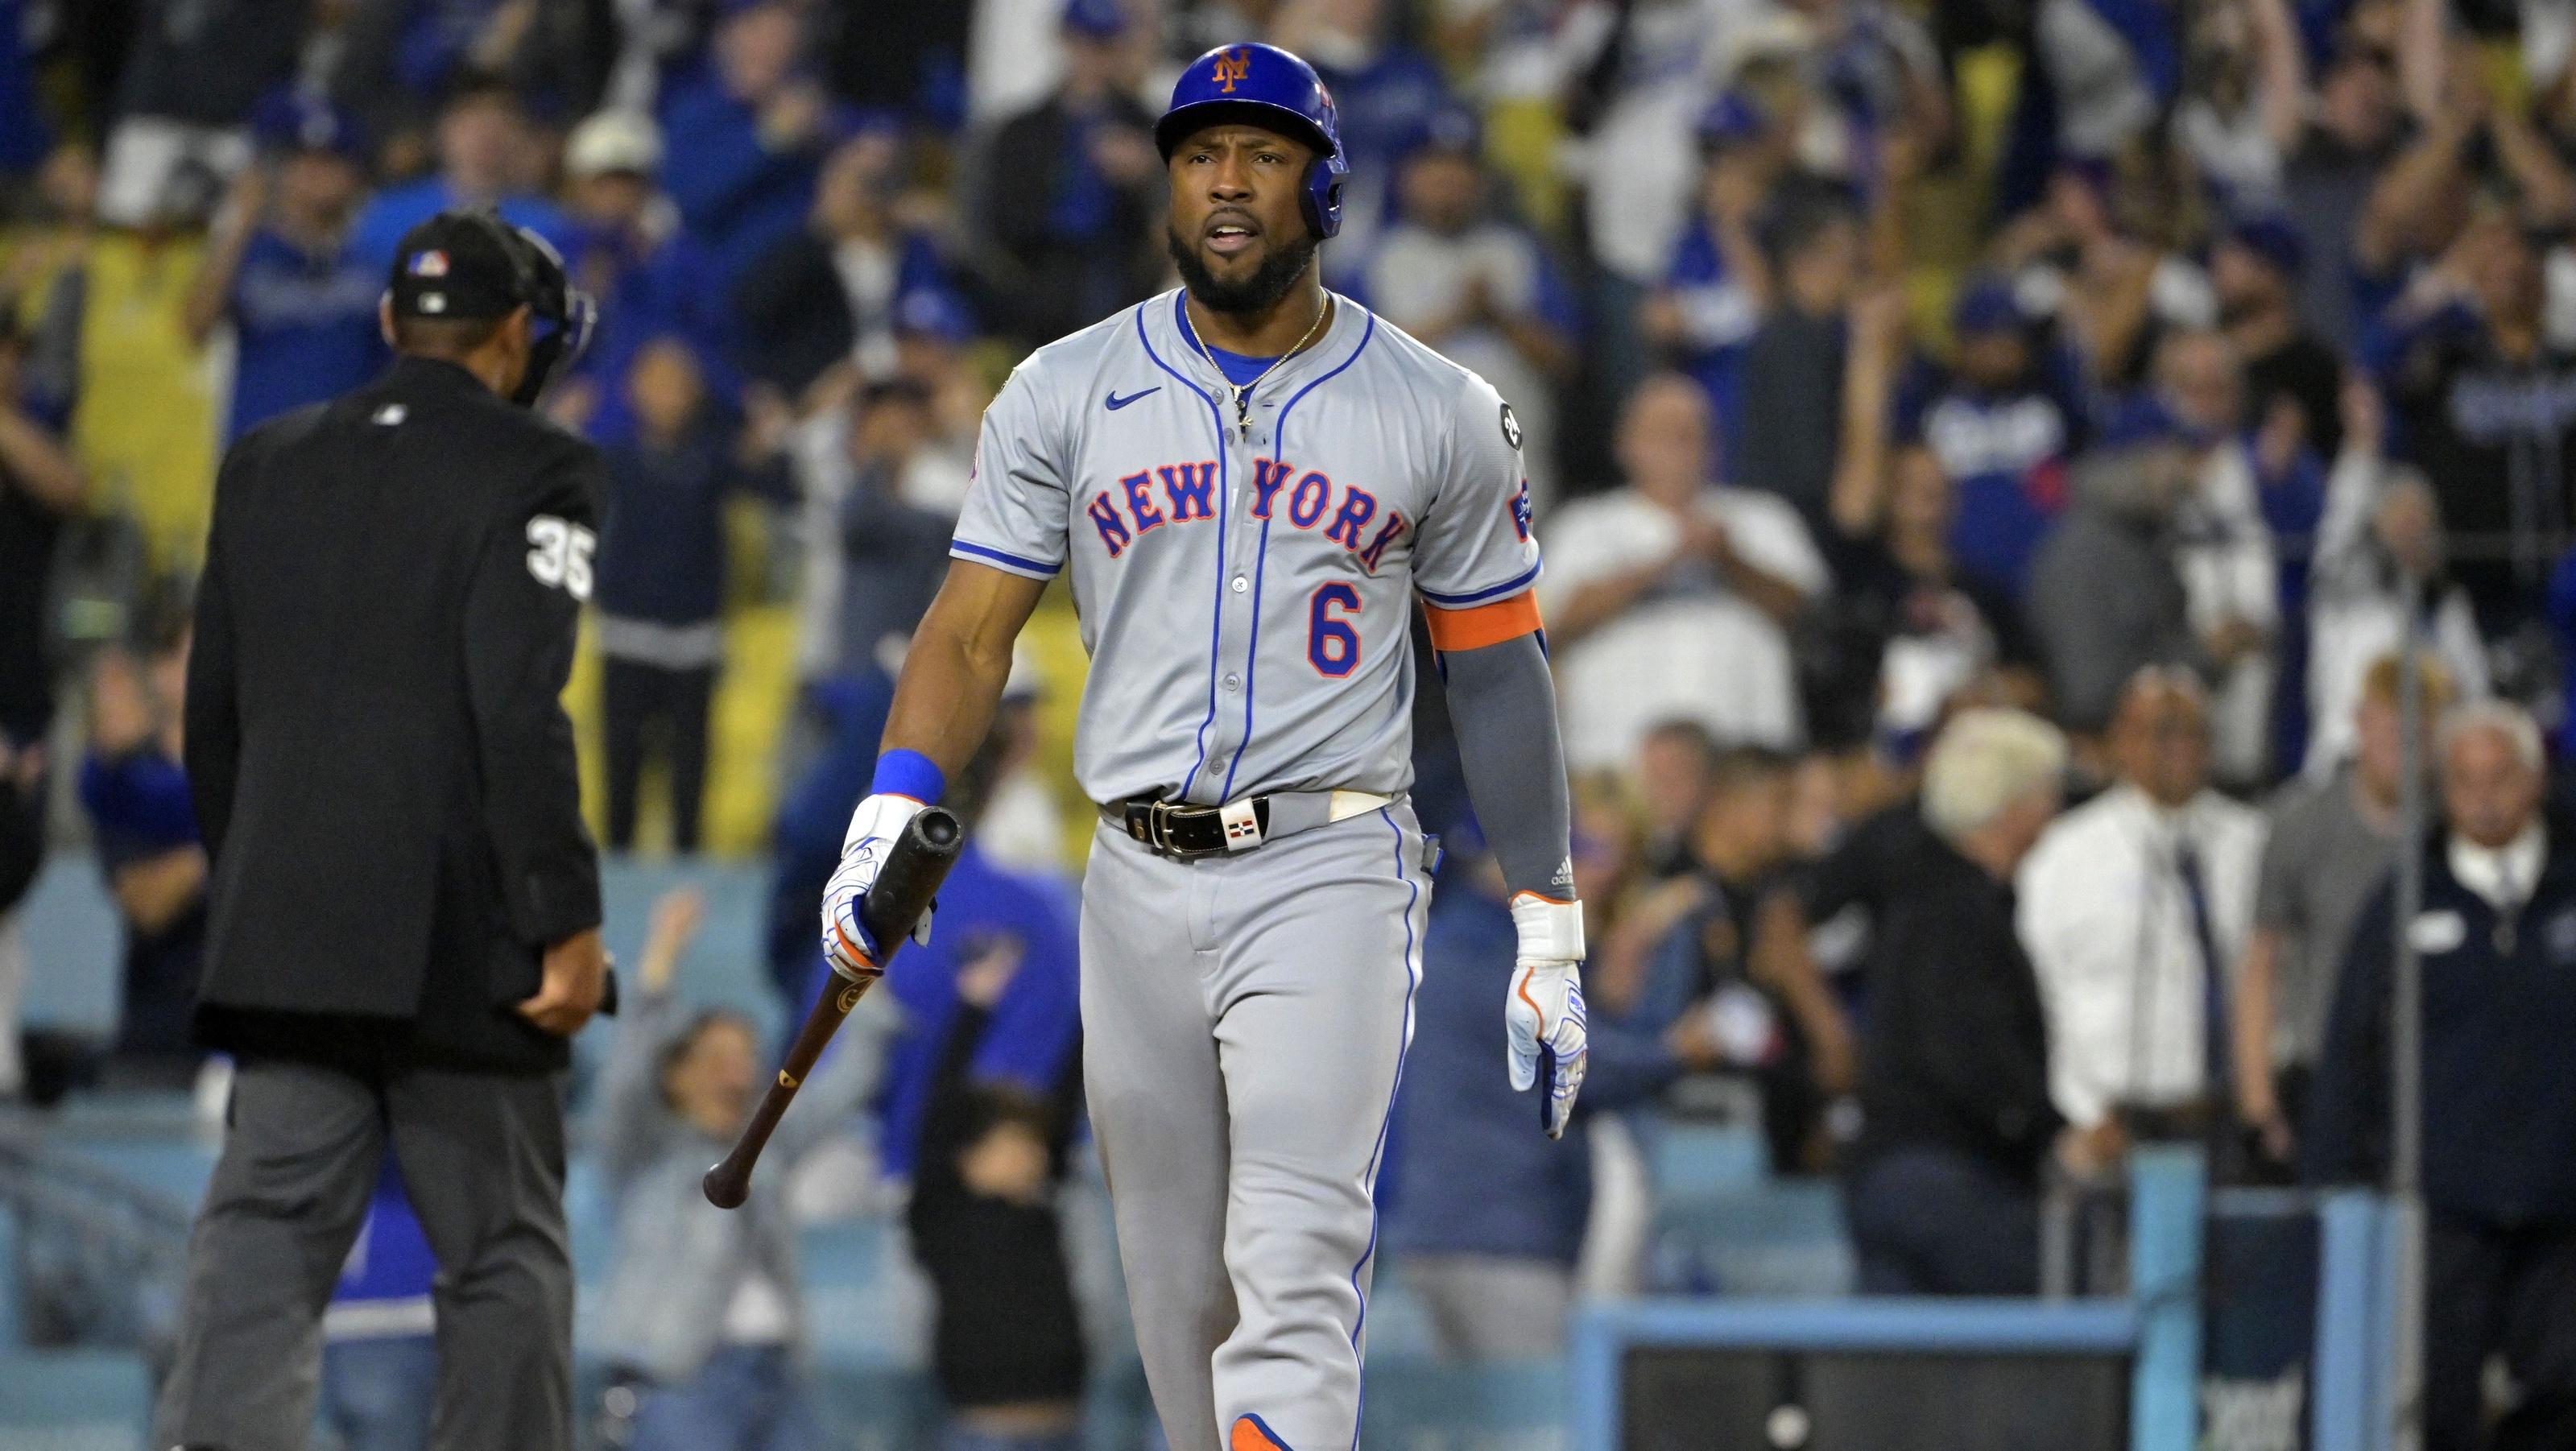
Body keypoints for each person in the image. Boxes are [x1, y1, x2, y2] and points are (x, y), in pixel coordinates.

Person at [816, 43, 1586, 1451]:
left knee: (1291, 1263)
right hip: (1134, 875)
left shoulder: (1439, 407)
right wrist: (890, 803)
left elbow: (1493, 669)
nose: (1225, 183)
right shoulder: (1060, 387)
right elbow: (967, 630)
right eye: (1197, 155)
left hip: (1332, 862)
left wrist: (1544, 906)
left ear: (1324, 184)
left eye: (1261, 154)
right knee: (1179, 1306)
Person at [155, 211, 609, 1451]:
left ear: (386, 322)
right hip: (455, 927)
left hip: (284, 920)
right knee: (500, 1247)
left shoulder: (262, 459)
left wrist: (255, 886)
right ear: (521, 333)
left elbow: (213, 722)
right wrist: (563, 919)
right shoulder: (540, 465)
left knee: (264, 1224)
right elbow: (515, 710)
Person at [2306, 701, 2576, 1451]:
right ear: (2443, 789)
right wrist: (2331, 1172)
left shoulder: (2567, 889)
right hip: (2443, 1205)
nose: (2484, 797)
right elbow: (2350, 1044)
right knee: (2438, 1400)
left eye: (2501, 777)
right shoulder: (2405, 896)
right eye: (2464, 780)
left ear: (2535, 779)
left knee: (2562, 1394)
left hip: (2561, 1204)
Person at [869, 735, 1086, 1451]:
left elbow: (1064, 1096)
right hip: (978, 1431)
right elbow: (938, 1110)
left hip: (1062, 1424)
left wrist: (1096, 1008)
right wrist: (971, 1011)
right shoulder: (944, 1210)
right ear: (968, 1156)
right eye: (1008, 1145)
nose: (1025, 1157)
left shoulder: (1041, 1205)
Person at [593, 887, 868, 1451]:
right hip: (683, 1374)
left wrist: (869, 987)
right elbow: (626, 1076)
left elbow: (848, 1085)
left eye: (747, 1056)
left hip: (780, 1370)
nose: (737, 1072)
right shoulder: (646, 1149)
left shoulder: (767, 1144)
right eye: (718, 1058)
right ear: (677, 1075)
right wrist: (662, 954)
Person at [1844, 709, 2097, 1295]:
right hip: (1945, 1177)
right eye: (2045, 797)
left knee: (1900, 1374)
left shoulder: (1921, 895)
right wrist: (2051, 1132)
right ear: (2012, 807)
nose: (2053, 816)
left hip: (1887, 1173)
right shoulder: (1962, 912)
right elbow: (1971, 1054)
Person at [2018, 669, 2268, 1148]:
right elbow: (2034, 989)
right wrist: (2076, 1116)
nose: (2171, 747)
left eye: (2189, 732)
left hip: (2229, 1122)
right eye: (2155, 731)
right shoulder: (2063, 854)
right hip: (2104, 1123)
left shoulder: (2256, 846)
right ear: (2119, 742)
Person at [2234, 651, 2451, 1177]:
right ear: (2359, 723)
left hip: (2436, 1063)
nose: (2400, 752)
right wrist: (2258, 1098)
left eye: (2416, 739)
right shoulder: (2299, 824)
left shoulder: (2450, 828)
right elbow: (2262, 961)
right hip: (2326, 1069)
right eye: (2389, 733)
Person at [1542, 373, 1829, 768]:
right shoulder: (1583, 526)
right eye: (1663, 436)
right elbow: (1549, 625)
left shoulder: (1763, 517)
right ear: (1626, 446)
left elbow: (1807, 615)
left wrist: (1729, 560)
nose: (1679, 450)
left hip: (1746, 764)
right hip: (1614, 764)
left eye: (1692, 436)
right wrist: (1662, 563)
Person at [593, 338, 792, 854]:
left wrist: (770, 443)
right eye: (656, 384)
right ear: (634, 391)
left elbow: (776, 487)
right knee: (622, 766)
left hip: (695, 638)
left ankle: (686, 878)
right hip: (626, 634)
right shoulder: (615, 460)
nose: (667, 398)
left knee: (690, 771)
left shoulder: (715, 460)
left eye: (678, 386)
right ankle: (615, 878)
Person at [1362, 110, 1576, 506]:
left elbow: (1563, 358)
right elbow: (1354, 367)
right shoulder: (1376, 258)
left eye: (1461, 165)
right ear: (1406, 176)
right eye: (1432, 164)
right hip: (1410, 475)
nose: (1447, 179)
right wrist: (1456, 315)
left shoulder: (1518, 250)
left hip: (1517, 473)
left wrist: (1497, 315)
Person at [184, 92, 385, 444]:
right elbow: (194, 327)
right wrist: (240, 222)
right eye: (301, 160)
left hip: (352, 457)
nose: (314, 174)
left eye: (330, 161)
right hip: (263, 458)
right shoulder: (250, 253)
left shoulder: (373, 256)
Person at [974, 0, 1165, 349]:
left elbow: (1166, 223)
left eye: (1104, 45)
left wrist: (1146, 173)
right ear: (1065, 40)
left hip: (1113, 282)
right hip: (1038, 284)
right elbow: (996, 221)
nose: (1092, 57)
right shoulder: (1022, 131)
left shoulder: (1146, 127)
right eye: (1084, 42)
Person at [79, 614, 209, 1088]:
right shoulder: (122, 778)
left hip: (248, 1040)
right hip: (160, 1036)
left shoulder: (248, 768)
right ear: (160, 670)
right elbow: (146, 903)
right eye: (193, 656)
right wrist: (223, 853)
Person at [346, 78, 573, 269]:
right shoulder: (386, 216)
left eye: (502, 123)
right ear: (443, 129)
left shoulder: (549, 225)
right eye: (474, 123)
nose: (488, 136)